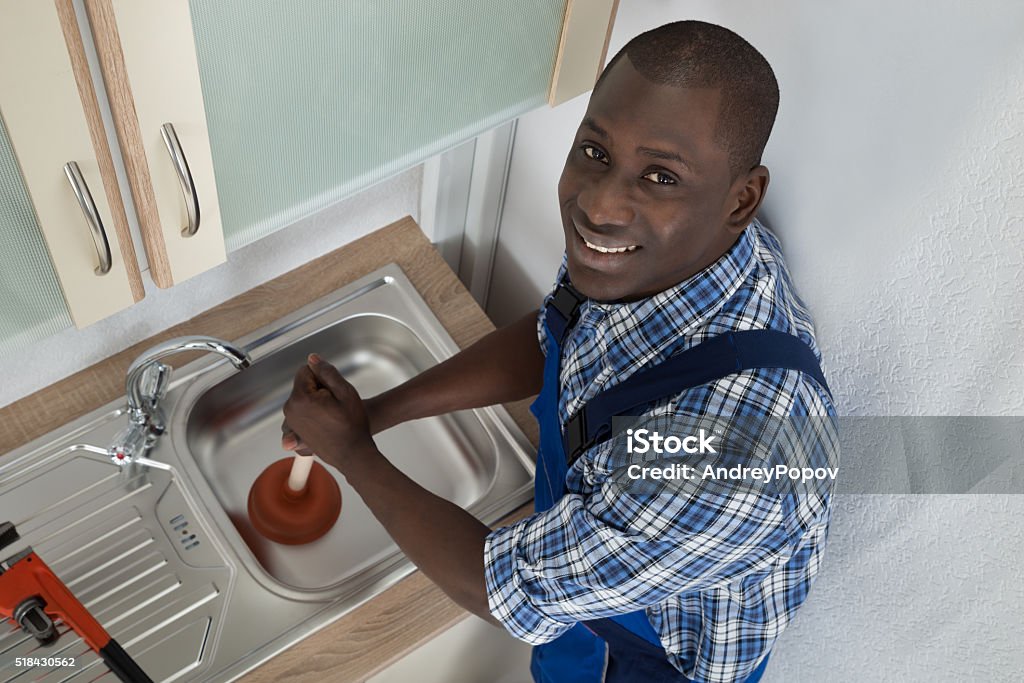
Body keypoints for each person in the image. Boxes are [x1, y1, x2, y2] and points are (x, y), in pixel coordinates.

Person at [280, 20, 838, 683]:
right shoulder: (676, 259)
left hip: (642, 659)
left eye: (660, 176)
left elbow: (508, 590)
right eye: (596, 153)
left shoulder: (727, 455)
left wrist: (351, 453)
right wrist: (379, 410)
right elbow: (559, 335)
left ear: (741, 198)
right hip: (591, 587)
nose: (599, 206)